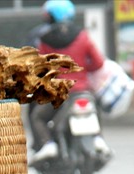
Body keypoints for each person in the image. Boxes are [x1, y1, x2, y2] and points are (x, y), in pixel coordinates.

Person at [29, 0, 108, 163]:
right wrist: (84, 68)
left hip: (58, 94)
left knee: (37, 117)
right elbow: (98, 63)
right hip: (82, 90)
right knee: (95, 105)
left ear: (51, 16)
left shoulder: (45, 39)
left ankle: (47, 144)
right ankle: (98, 138)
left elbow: (41, 69)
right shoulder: (82, 36)